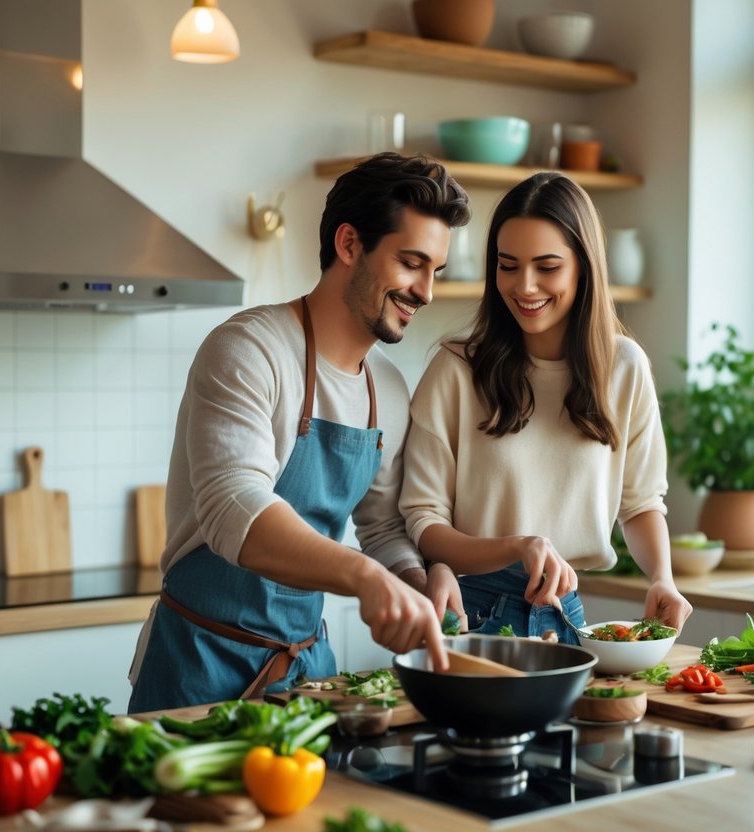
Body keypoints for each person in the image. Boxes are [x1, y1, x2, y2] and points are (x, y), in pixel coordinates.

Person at [128, 153, 471, 712]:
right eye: (411, 263)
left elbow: (381, 527)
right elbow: (233, 508)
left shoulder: (387, 387)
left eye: (436, 271)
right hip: (198, 666)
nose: (426, 292)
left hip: (308, 675)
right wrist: (362, 576)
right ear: (348, 244)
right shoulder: (248, 349)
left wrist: (417, 577)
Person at [399, 171, 691, 644]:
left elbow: (640, 504)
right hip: (470, 612)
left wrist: (662, 577)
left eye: (547, 267)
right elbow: (425, 521)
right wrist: (519, 547)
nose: (525, 286)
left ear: (584, 267)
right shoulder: (455, 370)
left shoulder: (625, 368)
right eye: (508, 264)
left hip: (569, 617)